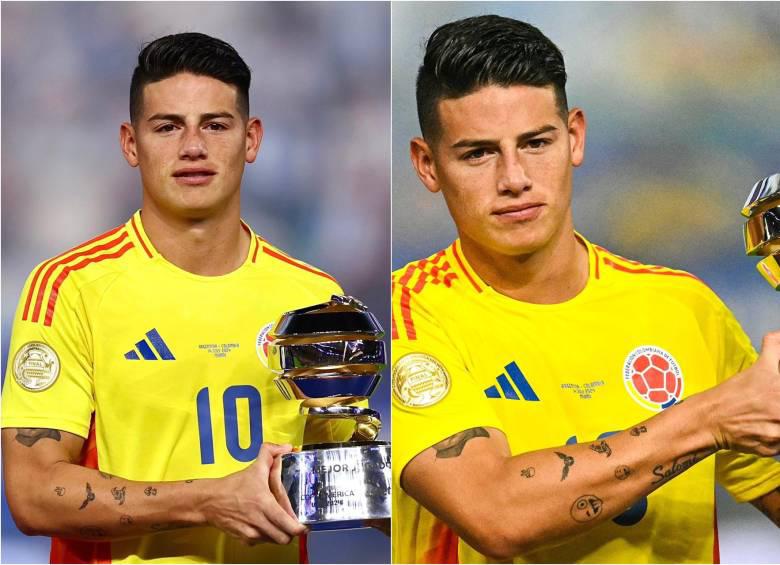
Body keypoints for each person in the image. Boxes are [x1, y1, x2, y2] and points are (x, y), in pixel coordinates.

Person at [391, 15, 780, 564]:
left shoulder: (682, 306)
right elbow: (497, 515)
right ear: (427, 165)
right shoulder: (407, 315)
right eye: (478, 153)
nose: (514, 178)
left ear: (574, 136)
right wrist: (707, 419)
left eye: (536, 142)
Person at [1, 32, 345, 563]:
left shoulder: (314, 298)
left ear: (251, 140)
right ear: (130, 144)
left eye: (215, 124)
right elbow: (31, 494)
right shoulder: (70, 287)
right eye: (167, 127)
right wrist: (207, 501)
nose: (193, 147)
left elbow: (346, 476)